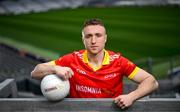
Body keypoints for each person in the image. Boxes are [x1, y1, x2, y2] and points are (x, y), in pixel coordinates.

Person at [31, 18, 158, 109]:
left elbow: (151, 81)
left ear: (105, 38)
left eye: (98, 35)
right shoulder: (71, 59)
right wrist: (55, 69)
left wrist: (131, 96)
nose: (93, 40)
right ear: (83, 40)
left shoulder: (118, 62)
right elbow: (35, 72)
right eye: (88, 36)